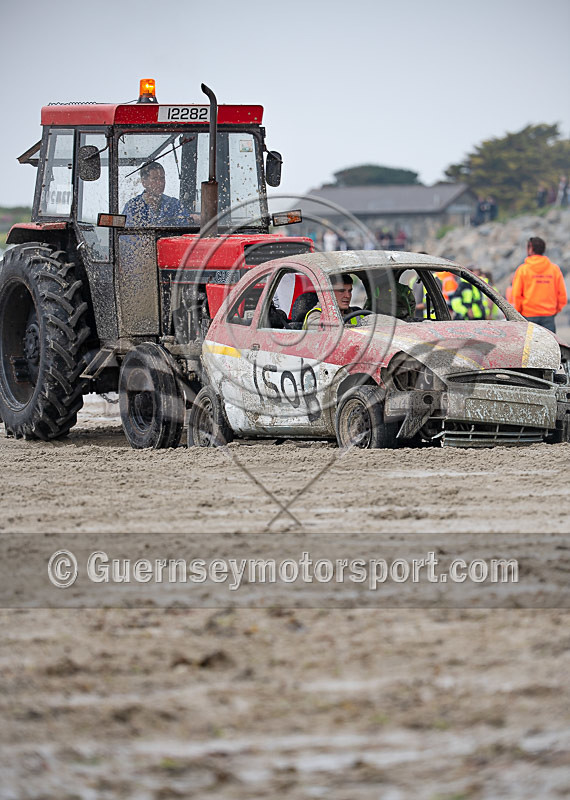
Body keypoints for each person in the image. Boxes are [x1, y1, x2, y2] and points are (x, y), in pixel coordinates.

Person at [511, 236, 567, 333]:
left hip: (528, 315)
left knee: (529, 347)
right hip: (548, 315)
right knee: (550, 346)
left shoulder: (523, 270)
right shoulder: (554, 269)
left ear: (531, 249)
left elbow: (516, 294)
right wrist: (554, 310)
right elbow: (562, 294)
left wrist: (519, 312)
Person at [122, 162, 188, 227]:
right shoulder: (132, 207)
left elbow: (186, 226)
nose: (160, 183)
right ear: (144, 182)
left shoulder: (174, 204)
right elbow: (126, 235)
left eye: (162, 178)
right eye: (155, 179)